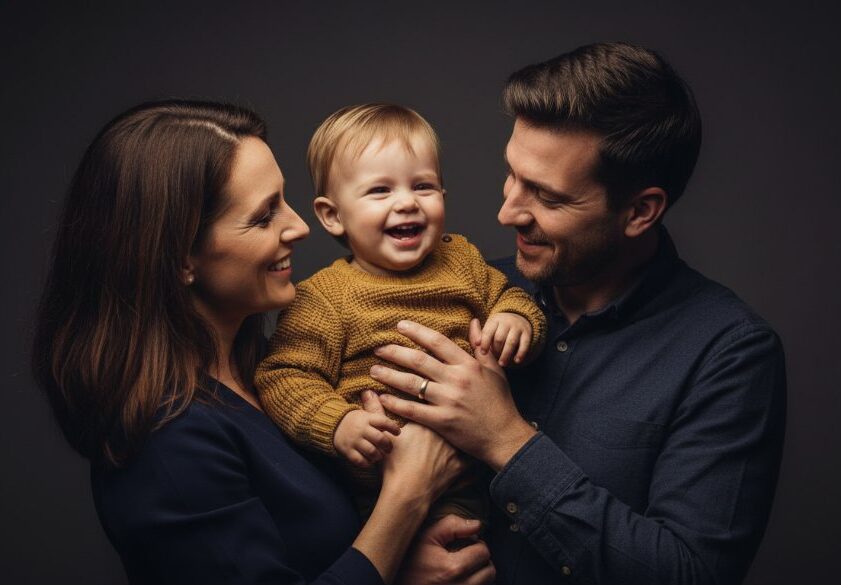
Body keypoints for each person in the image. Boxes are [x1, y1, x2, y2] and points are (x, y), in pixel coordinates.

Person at [368, 42, 787, 584]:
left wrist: (506, 440)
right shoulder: (465, 291)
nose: (506, 210)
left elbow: (690, 575)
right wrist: (396, 556)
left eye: (546, 195)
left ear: (640, 211)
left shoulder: (730, 353)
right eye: (511, 175)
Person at [31, 100, 495, 585]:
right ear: (181, 258)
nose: (297, 227)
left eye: (284, 200)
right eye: (263, 216)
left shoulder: (269, 373)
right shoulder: (166, 445)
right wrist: (408, 498)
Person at [255, 104, 545, 521]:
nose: (407, 203)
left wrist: (515, 321)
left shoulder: (461, 258)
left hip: (478, 476)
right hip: (377, 490)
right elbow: (283, 376)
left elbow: (510, 298)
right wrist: (339, 423)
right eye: (380, 191)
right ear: (332, 216)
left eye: (423, 186)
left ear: (443, 195)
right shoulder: (322, 298)